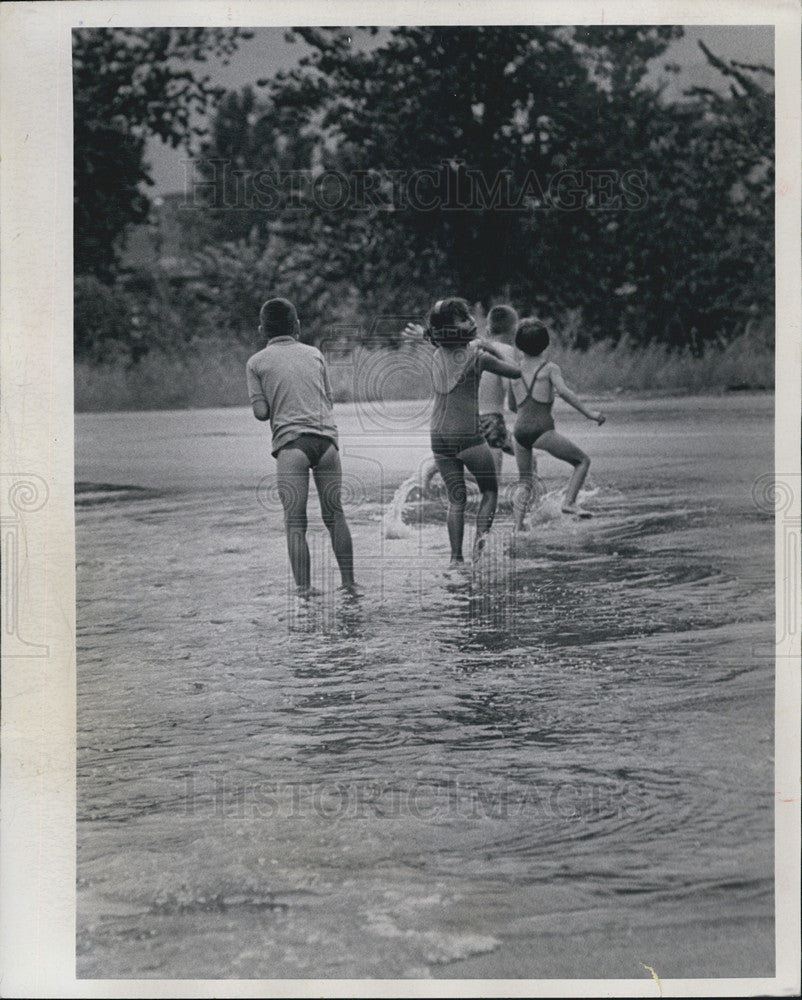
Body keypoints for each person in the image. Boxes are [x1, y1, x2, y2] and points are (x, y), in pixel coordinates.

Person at [246, 298, 357, 597]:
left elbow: (261, 413)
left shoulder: (256, 362)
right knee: (335, 515)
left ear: (261, 330)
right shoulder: (315, 354)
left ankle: (305, 590)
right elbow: (328, 400)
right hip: (326, 443)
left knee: (295, 523)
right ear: (297, 327)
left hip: (291, 446)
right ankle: (349, 584)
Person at [424, 298, 521, 566]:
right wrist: (492, 348)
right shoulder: (478, 358)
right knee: (490, 492)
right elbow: (515, 372)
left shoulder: (435, 354)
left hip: (437, 434)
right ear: (456, 329)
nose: (472, 321)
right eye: (465, 318)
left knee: (457, 500)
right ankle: (479, 555)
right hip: (466, 433)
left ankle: (456, 559)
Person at [510, 317, 605, 526]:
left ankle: (517, 526)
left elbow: (511, 405)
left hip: (519, 432)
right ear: (545, 344)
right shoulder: (550, 368)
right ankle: (569, 502)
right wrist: (590, 413)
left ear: (518, 345)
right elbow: (564, 392)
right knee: (582, 461)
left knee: (525, 481)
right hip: (542, 430)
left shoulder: (513, 370)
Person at [477, 304, 520, 480]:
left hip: (470, 419)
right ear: (514, 328)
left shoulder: (478, 349)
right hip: (492, 421)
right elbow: (509, 386)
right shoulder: (507, 351)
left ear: (488, 328)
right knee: (493, 481)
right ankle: (530, 501)